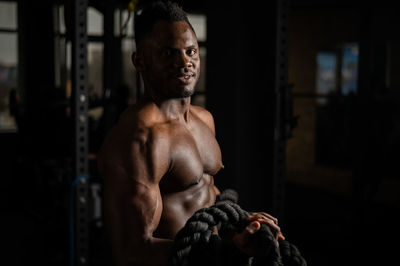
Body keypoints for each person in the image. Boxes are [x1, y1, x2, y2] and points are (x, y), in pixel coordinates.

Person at [97, 1, 284, 266]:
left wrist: (243, 223)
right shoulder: (140, 138)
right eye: (168, 53)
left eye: (191, 51)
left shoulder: (204, 119)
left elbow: (205, 192)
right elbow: (132, 252)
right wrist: (228, 253)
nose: (185, 62)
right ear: (140, 60)